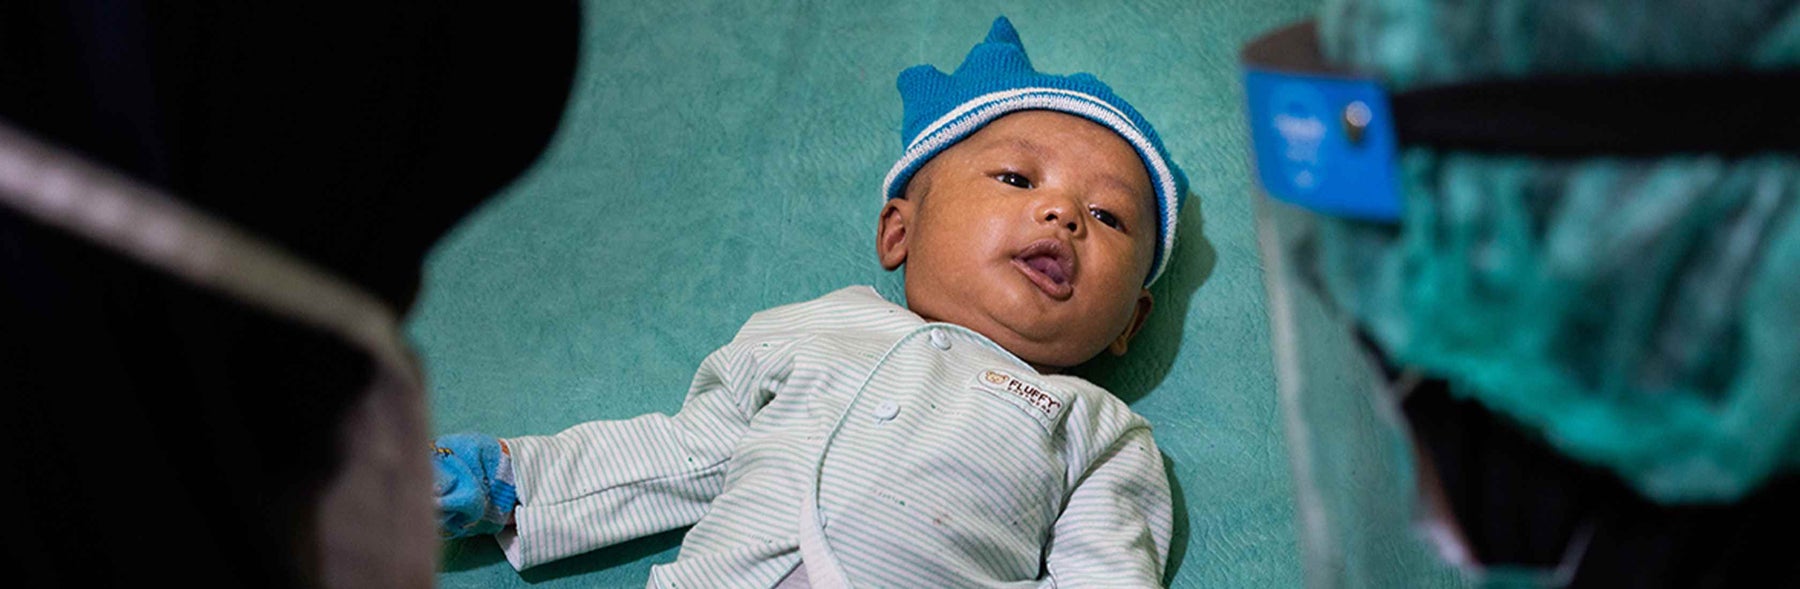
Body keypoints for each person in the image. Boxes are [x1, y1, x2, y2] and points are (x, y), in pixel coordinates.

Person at [433, 17, 1189, 587]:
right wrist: (509, 478)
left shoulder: (1099, 431)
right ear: (900, 228)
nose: (1063, 215)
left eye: (1109, 217)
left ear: (1131, 321)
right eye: (1017, 180)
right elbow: (680, 453)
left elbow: (1105, 573)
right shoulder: (820, 328)